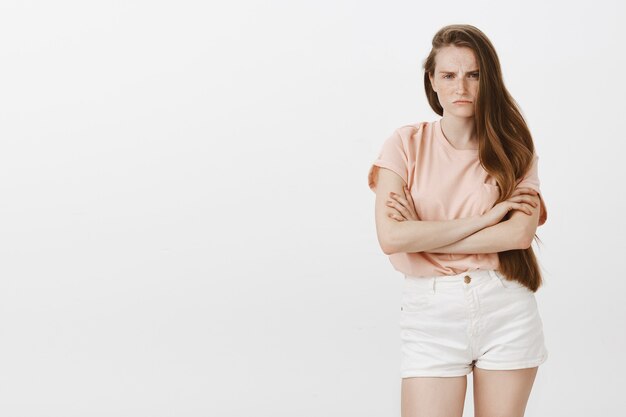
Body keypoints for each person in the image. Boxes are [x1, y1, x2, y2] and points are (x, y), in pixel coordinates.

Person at [367, 24, 549, 417]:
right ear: (431, 81)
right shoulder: (404, 144)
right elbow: (390, 236)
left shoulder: (515, 149)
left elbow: (518, 234)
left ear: (489, 79)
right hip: (430, 311)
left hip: (505, 306)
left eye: (473, 75)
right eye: (448, 75)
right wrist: (486, 220)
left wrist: (421, 235)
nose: (460, 87)